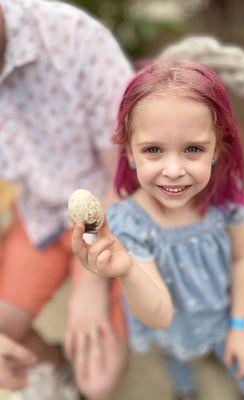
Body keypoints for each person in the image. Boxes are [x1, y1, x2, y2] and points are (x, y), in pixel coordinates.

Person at [72, 61, 244, 400]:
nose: (173, 170)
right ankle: (183, 385)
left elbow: (240, 259)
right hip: (172, 326)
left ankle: (219, 350)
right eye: (153, 150)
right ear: (130, 152)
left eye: (193, 149)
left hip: (223, 316)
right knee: (177, 358)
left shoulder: (224, 200)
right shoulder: (130, 224)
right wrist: (128, 269)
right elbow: (159, 314)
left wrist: (240, 325)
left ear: (216, 148)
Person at [0, 0, 133, 398]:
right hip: (38, 214)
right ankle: (54, 366)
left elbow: (126, 175)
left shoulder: (72, 37)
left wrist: (90, 284)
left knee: (99, 380)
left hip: (107, 213)